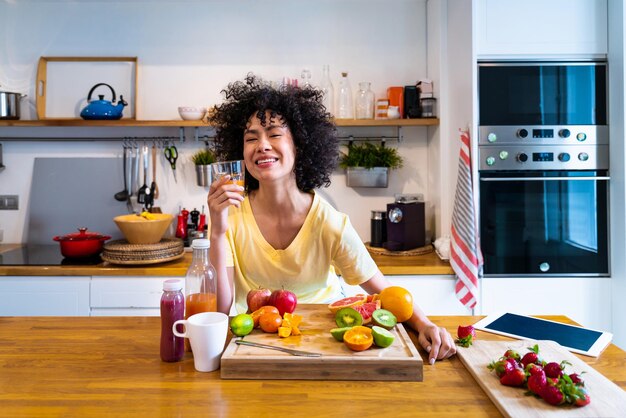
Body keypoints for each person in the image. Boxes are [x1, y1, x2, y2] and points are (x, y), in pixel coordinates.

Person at [207, 74, 456, 364]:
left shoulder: (329, 222)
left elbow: (385, 292)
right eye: (251, 138)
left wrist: (425, 325)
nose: (262, 145)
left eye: (274, 134)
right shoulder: (231, 217)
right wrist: (217, 232)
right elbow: (220, 309)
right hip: (255, 346)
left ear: (299, 145)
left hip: (325, 343)